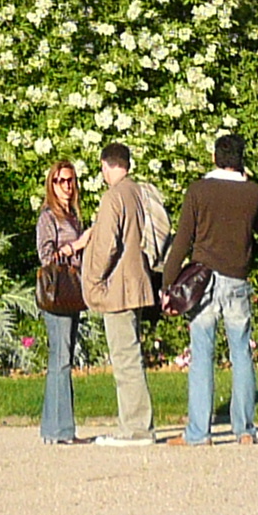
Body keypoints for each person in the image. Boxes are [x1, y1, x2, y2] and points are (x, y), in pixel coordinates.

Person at [164, 130, 258, 445]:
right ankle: (245, 430)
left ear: (215, 157)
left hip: (204, 280)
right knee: (241, 352)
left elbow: (183, 239)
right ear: (241, 160)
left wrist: (169, 282)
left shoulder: (198, 190)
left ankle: (199, 432)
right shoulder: (253, 192)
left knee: (202, 353)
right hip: (237, 279)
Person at [77, 141, 164, 446]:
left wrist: (93, 280)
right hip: (139, 281)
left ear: (105, 165)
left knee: (126, 359)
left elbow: (106, 245)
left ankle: (136, 428)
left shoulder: (113, 197)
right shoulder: (139, 192)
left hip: (118, 288)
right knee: (132, 355)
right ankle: (137, 424)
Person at [34, 159, 89, 444]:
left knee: (62, 358)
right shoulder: (49, 217)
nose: (66, 186)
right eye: (60, 181)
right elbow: (46, 258)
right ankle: (61, 430)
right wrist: (76, 246)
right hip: (56, 292)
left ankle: (53, 429)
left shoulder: (73, 216)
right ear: (51, 185)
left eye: (70, 180)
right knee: (61, 359)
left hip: (73, 293)